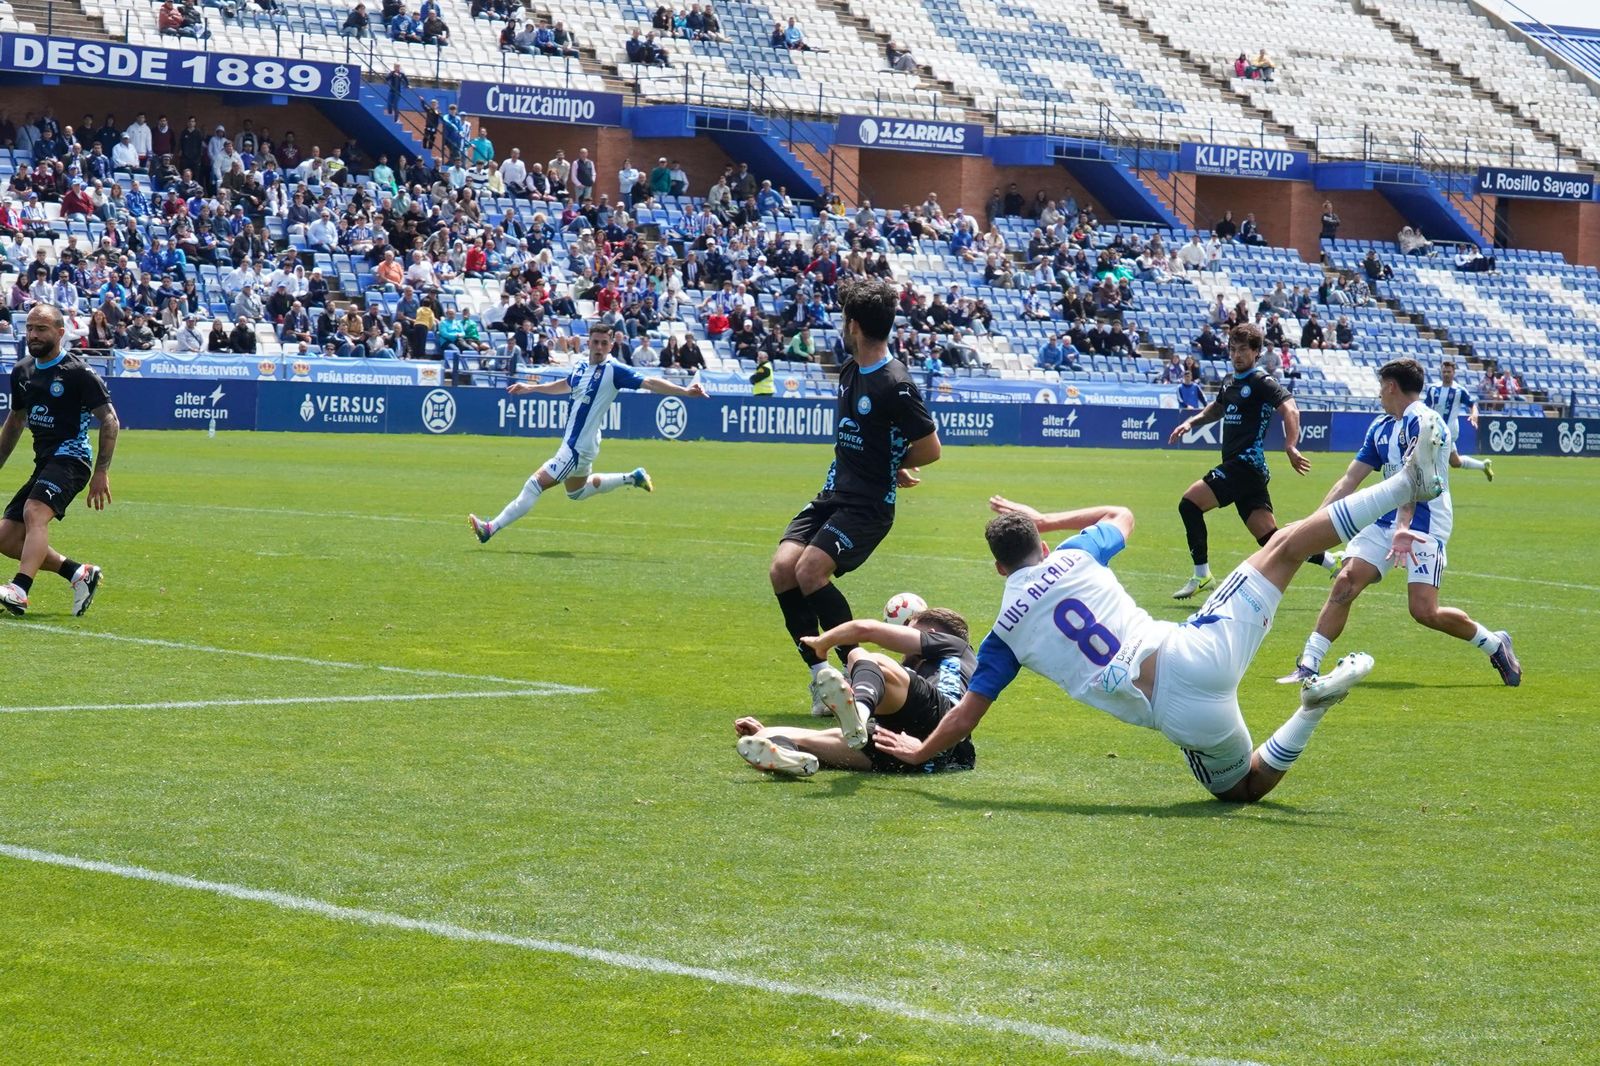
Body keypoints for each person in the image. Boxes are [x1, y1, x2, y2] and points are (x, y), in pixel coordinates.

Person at [872, 427, 1454, 800]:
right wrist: (1049, 519)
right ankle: (1405, 481)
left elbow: (967, 716)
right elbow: (1120, 512)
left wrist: (922, 752)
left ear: (1001, 570)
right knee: (1285, 547)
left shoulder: (1002, 636)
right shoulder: (1075, 552)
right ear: (1043, 547)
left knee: (1241, 789)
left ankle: (1310, 709)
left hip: (1175, 713)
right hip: (1193, 650)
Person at [1277, 358, 1520, 689]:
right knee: (1345, 581)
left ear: (1391, 386)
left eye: (1381, 387)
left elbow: (1415, 484)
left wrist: (1404, 527)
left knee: (1424, 611)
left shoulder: (1424, 423)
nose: (1379, 395)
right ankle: (1308, 665)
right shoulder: (1380, 427)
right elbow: (1349, 479)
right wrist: (1315, 522)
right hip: (1383, 521)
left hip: (1426, 523)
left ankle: (1494, 643)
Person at [768, 278, 941, 716]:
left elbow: (930, 447)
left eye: (846, 320)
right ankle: (819, 677)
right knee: (782, 569)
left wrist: (892, 465)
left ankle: (855, 669)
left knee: (810, 571)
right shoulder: (849, 370)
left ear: (856, 326)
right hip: (833, 492)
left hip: (868, 505)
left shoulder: (895, 383)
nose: (843, 327)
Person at [468, 324, 708, 542]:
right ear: (588, 343)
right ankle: (632, 477)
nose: (600, 347)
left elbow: (650, 383)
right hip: (585, 445)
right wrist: (532, 388)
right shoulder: (582, 365)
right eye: (596, 342)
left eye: (605, 343)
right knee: (577, 493)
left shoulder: (615, 370)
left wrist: (684, 392)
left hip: (576, 449)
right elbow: (566, 384)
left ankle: (490, 528)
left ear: (611, 345)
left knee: (534, 486)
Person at [1166, 322, 1333, 601]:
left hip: (1245, 465)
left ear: (1256, 352)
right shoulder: (1230, 382)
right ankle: (1331, 561)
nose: (1236, 355)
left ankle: (1202, 574)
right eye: (1232, 349)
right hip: (1245, 471)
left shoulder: (1261, 381)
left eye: (1243, 349)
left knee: (1189, 504)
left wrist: (1290, 445)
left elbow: (1290, 409)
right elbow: (1217, 408)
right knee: (1272, 539)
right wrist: (1191, 422)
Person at [735, 606, 977, 777]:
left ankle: (859, 714)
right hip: (908, 751)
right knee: (763, 737)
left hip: (941, 717)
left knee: (860, 656)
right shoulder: (915, 673)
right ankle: (793, 760)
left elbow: (866, 630)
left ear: (931, 636)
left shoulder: (956, 645)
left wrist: (823, 642)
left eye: (913, 631)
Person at [0, 304, 118, 617]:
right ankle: (79, 573)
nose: (33, 335)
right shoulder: (22, 371)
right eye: (29, 329)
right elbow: (16, 421)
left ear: (60, 332)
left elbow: (110, 421)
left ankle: (20, 589)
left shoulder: (78, 372)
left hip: (73, 457)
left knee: (34, 511)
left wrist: (101, 472)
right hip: (46, 462)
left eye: (42, 329)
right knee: (6, 538)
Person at [1423, 360, 1493, 479]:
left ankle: (1438, 488)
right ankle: (1483, 465)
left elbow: (1472, 405)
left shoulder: (1459, 390)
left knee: (1432, 459)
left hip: (1449, 431)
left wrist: (1474, 414)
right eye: (1444, 371)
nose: (1446, 374)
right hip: (1434, 429)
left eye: (1449, 372)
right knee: (1455, 462)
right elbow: (1425, 407)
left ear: (1453, 373)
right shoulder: (1433, 389)